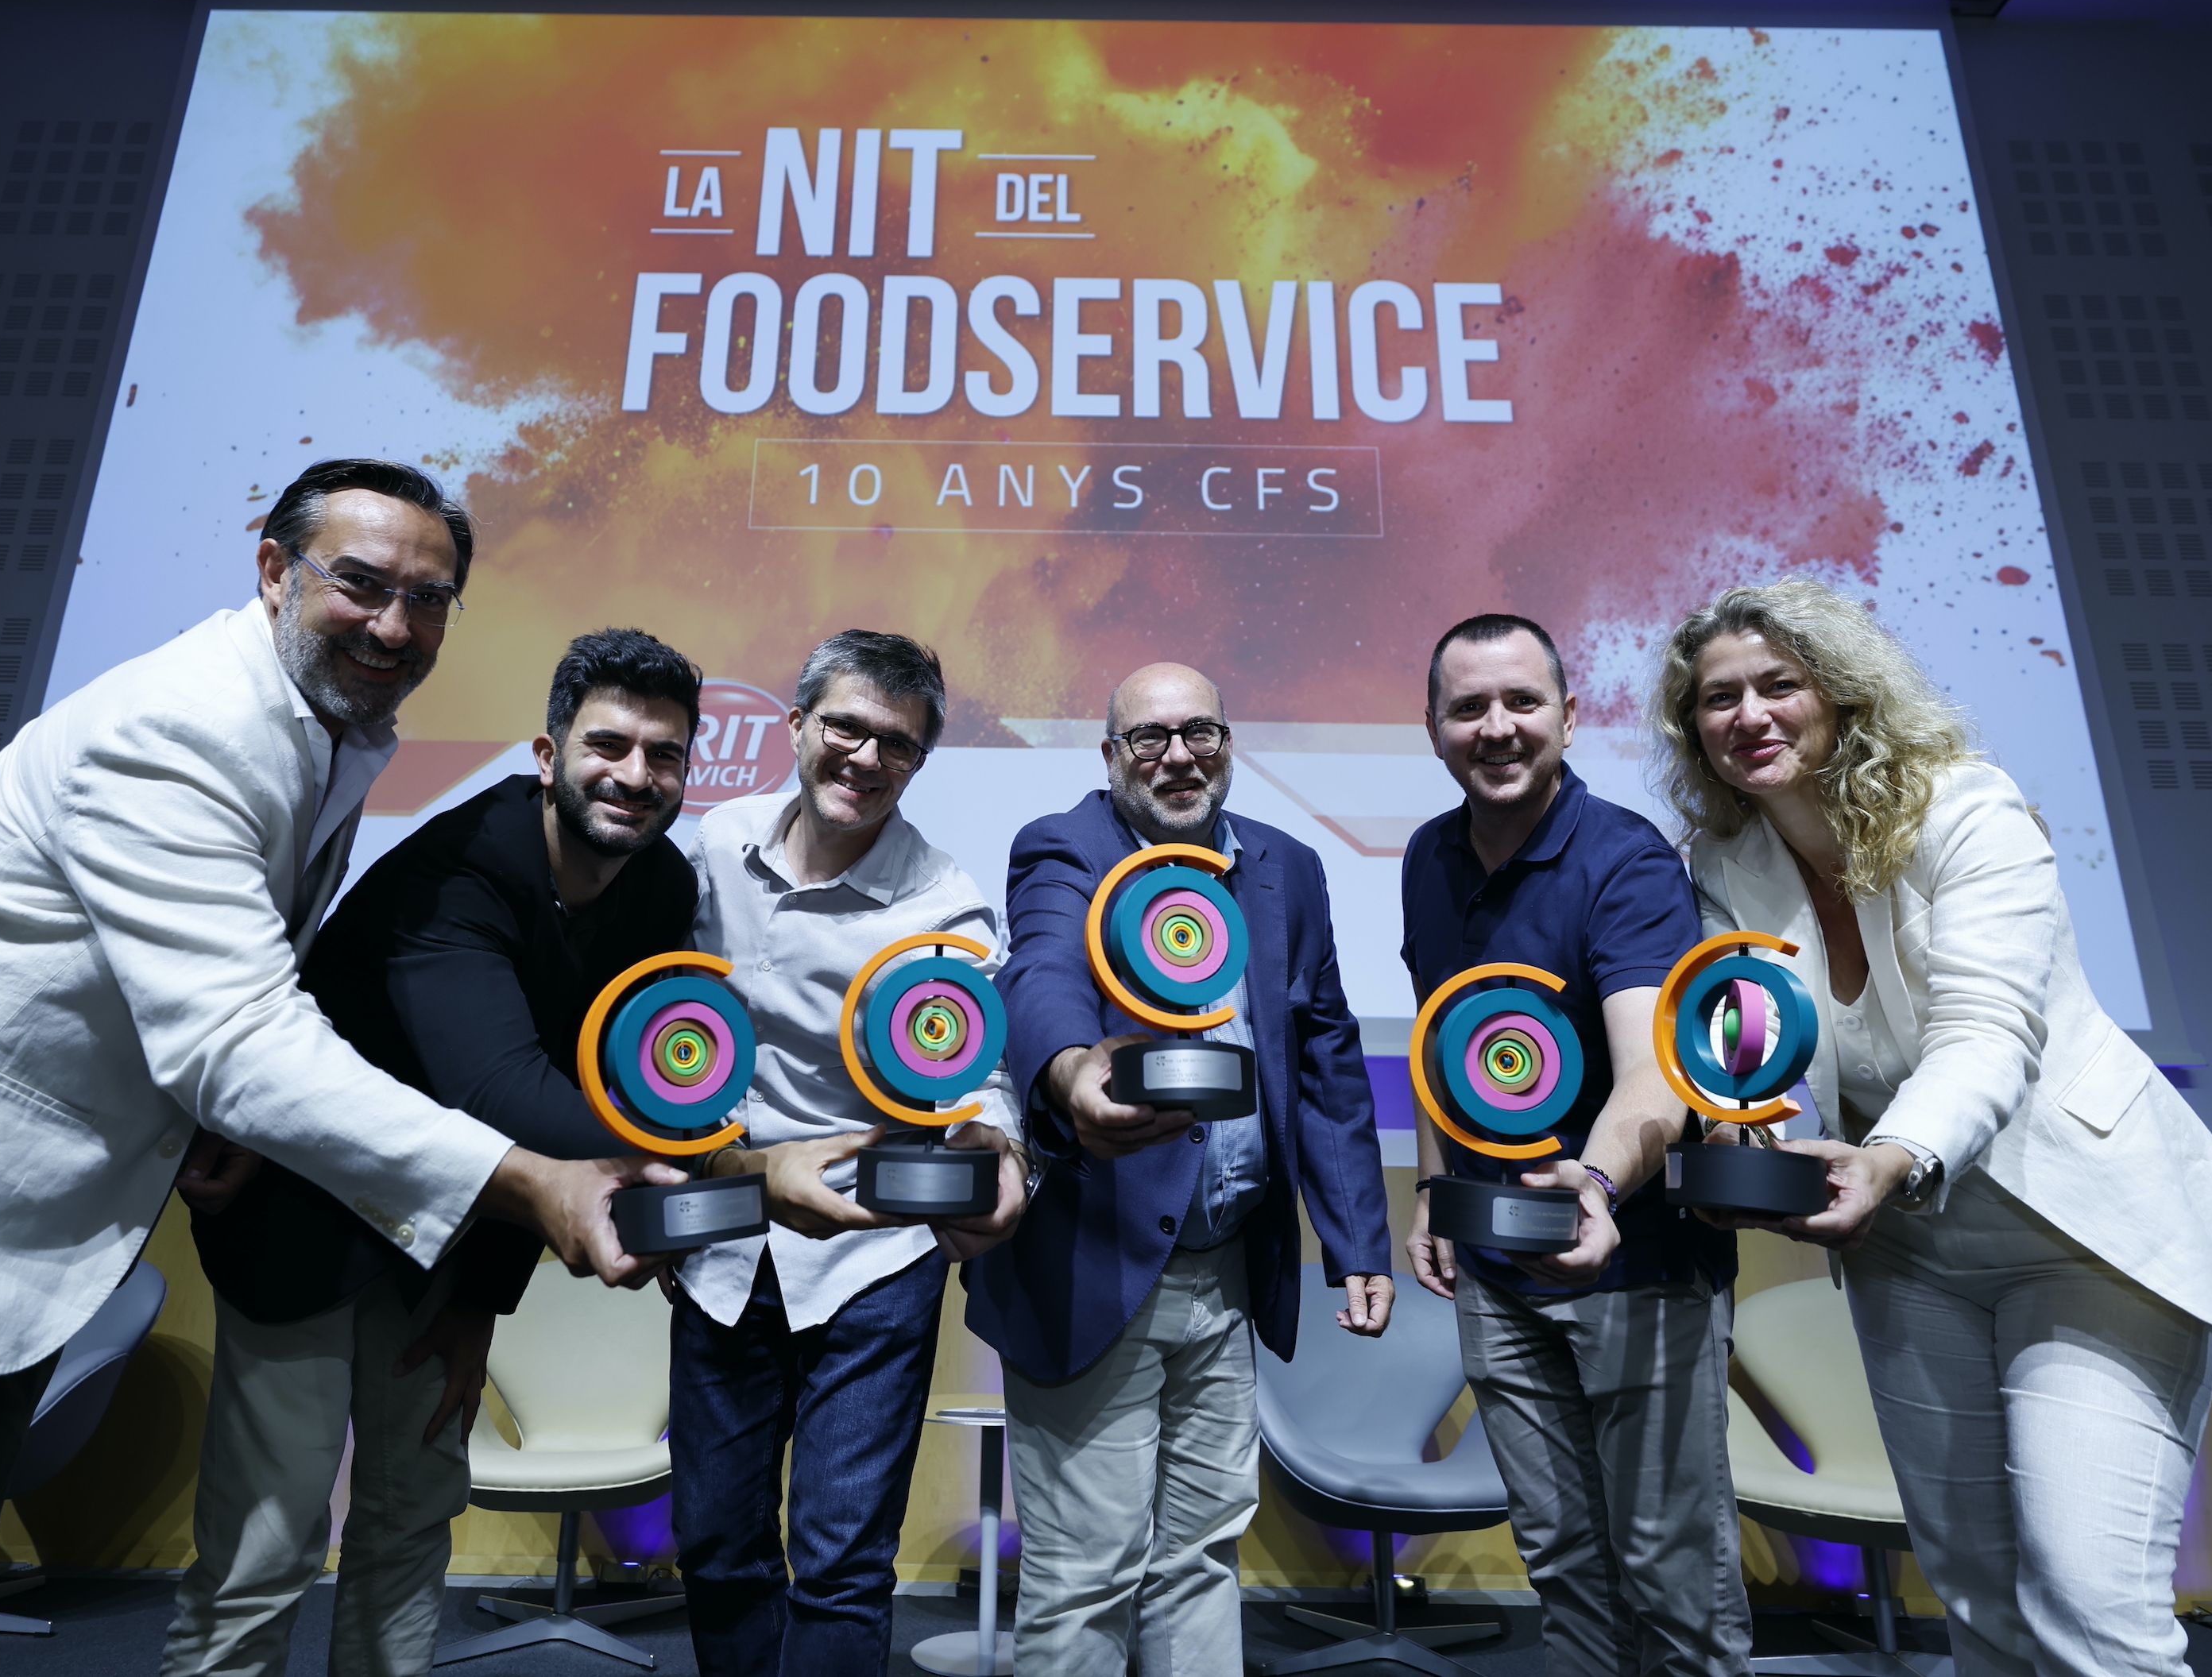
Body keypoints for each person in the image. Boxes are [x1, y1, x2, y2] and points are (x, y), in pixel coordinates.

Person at [0, 459, 670, 1675]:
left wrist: (226, 1119)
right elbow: (239, 1035)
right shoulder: (184, 727)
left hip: (2, 1253)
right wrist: (531, 1180)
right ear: (274, 569)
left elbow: (220, 989)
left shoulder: (338, 734)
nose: (394, 624)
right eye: (361, 584)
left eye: (428, 599)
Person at [1652, 578, 2212, 1677]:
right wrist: (1740, 1143)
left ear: (1841, 695)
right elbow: (1749, 1050)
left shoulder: (1965, 809)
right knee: (1978, 1599)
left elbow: (1988, 1030)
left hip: (2087, 1241)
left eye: (1778, 685)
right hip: (1914, 1259)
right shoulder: (1724, 864)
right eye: (1718, 698)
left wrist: (1888, 1157)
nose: (1748, 715)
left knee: (2089, 1608)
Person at [162, 628, 713, 1675]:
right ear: (547, 757)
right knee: (266, 1545)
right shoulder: (462, 865)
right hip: (302, 1215)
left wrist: (481, 1300)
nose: (636, 775)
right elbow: (500, 1091)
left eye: (665, 755)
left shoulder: (658, 890)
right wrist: (724, 1162)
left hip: (454, 1239)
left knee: (413, 1511)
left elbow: (597, 1090)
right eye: (608, 745)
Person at [966, 661, 1394, 1677]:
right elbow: (1042, 973)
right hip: (1094, 1267)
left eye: (1200, 732)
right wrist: (1074, 1073)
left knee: (1204, 1557)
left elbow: (1327, 1057)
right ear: (1111, 756)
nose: (1178, 756)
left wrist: (1357, 1243)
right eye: (1149, 738)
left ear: (1228, 744)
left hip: (1229, 1273)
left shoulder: (1289, 867)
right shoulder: (1065, 847)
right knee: (1087, 1572)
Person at [669, 628, 1028, 1677]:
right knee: (716, 1546)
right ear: (796, 725)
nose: (867, 759)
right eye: (846, 728)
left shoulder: (944, 903)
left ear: (921, 761)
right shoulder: (713, 846)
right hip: (726, 1242)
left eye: (898, 745)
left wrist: (998, 1150)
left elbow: (979, 1069)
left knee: (840, 1563)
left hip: (872, 1259)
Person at [1400, 614, 1750, 1677]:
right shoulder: (1426, 855)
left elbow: (1656, 1069)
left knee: (1672, 1577)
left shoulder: (1625, 861)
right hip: (1495, 1269)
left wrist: (1592, 1182)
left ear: (1568, 715)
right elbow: (1442, 1039)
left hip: (1636, 1265)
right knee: (1563, 1569)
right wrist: (1432, 1187)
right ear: (1432, 727)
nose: (1496, 728)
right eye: (1468, 708)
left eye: (1522, 702)